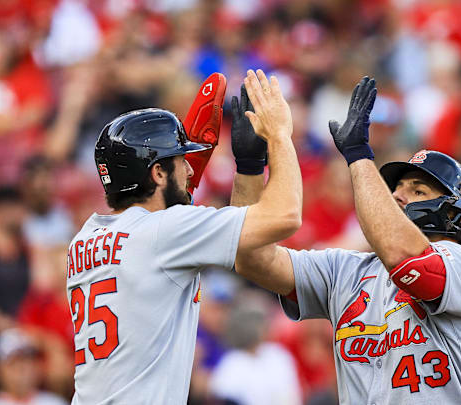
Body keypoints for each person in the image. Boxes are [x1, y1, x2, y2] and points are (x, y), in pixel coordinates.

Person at [235, 76, 461, 404]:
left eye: (417, 190)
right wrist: (249, 168)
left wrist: (359, 156)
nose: (398, 196)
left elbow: (403, 258)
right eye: (396, 189)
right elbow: (251, 256)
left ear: (451, 212)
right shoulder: (346, 270)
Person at [66, 69, 302, 404]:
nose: (191, 169)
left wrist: (248, 167)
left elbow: (240, 242)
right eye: (181, 161)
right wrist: (280, 136)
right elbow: (285, 216)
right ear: (157, 172)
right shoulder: (165, 232)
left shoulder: (83, 239)